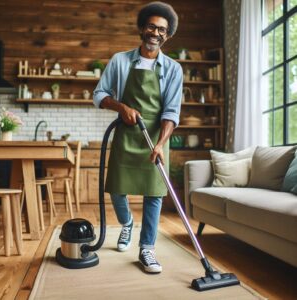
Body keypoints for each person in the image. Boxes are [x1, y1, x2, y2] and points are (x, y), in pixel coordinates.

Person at [93, 1, 182, 274]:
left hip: (155, 138)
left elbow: (171, 112)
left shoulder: (173, 69)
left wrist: (160, 144)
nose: (156, 33)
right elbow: (99, 95)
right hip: (126, 135)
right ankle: (127, 223)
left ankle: (147, 249)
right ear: (143, 28)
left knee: (154, 194)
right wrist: (121, 107)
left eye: (162, 30)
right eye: (152, 26)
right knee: (117, 189)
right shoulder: (120, 60)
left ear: (167, 35)